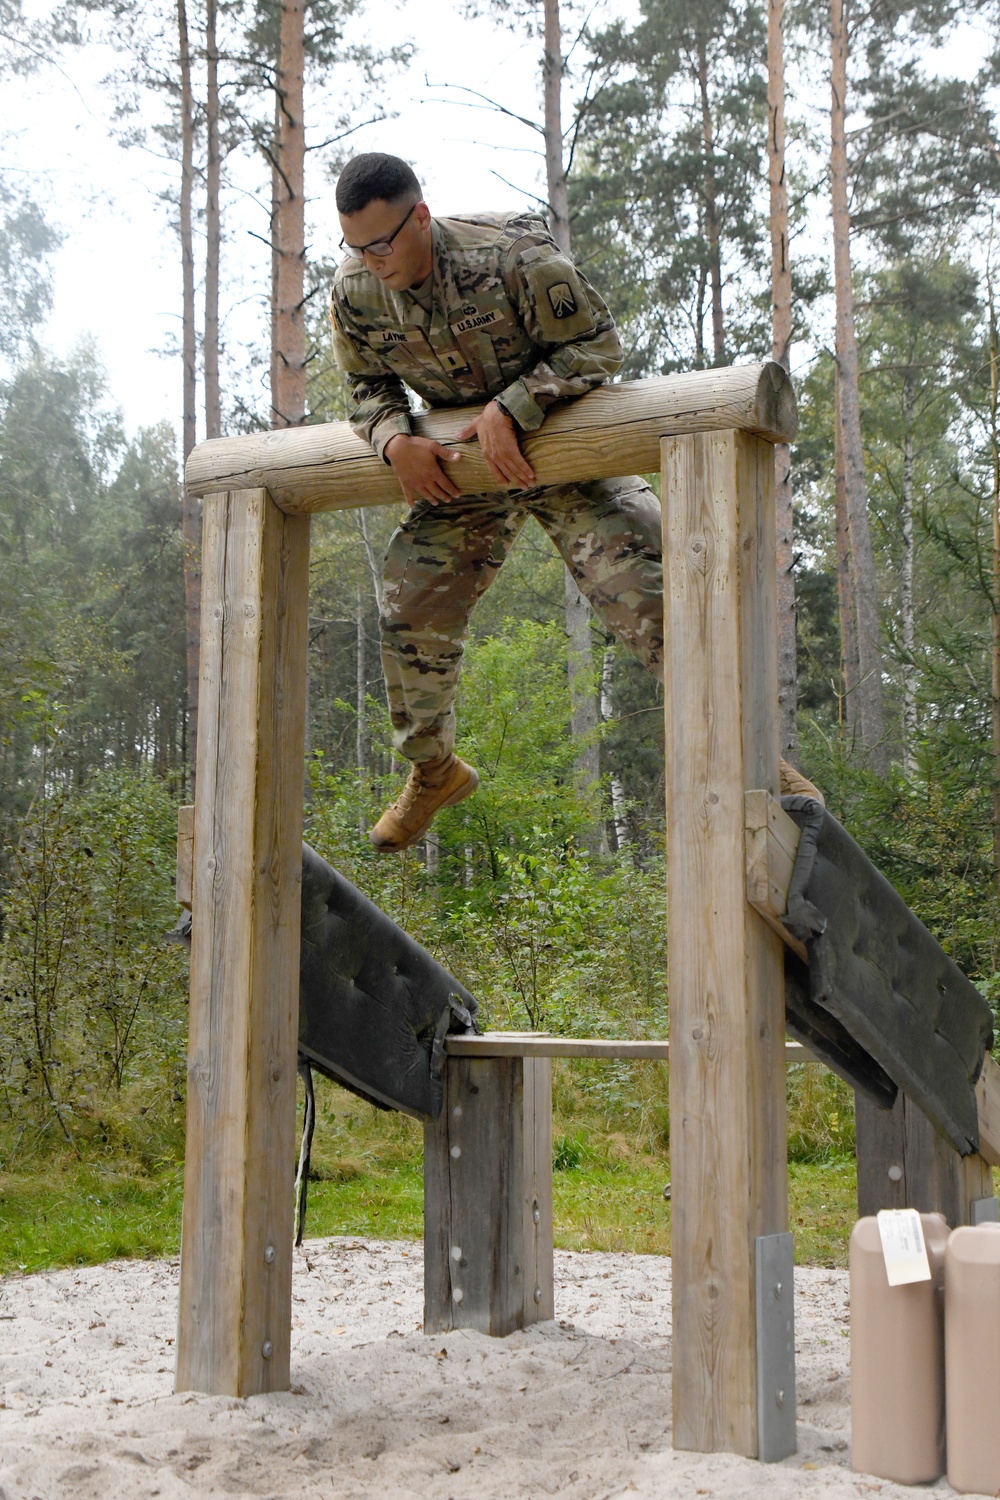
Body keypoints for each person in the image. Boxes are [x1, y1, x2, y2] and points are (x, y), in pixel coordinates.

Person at [330, 151, 820, 852]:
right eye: (356, 246)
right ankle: (432, 771)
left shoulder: (512, 255)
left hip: (566, 445)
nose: (372, 260)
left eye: (383, 242)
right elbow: (366, 389)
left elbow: (599, 343)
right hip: (466, 467)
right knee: (408, 603)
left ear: (421, 217)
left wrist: (516, 403)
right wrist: (390, 441)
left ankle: (758, 765)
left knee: (656, 595)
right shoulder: (353, 291)